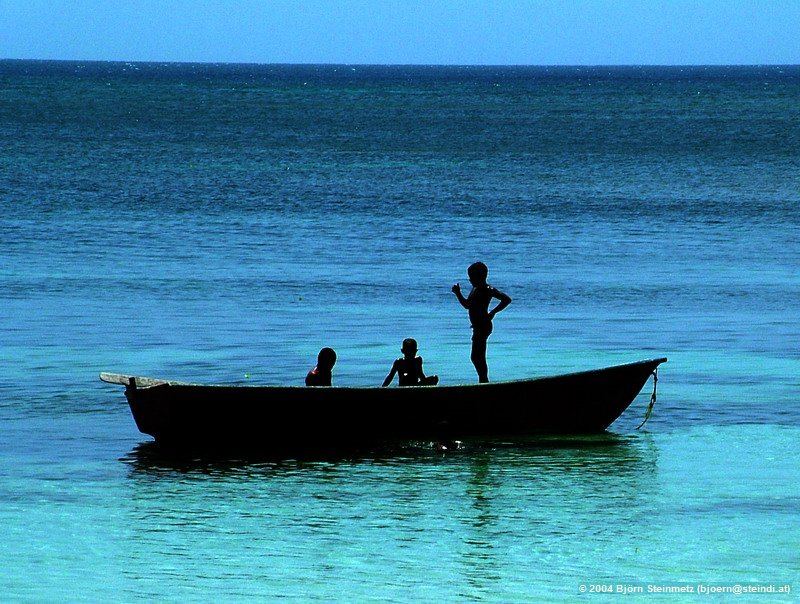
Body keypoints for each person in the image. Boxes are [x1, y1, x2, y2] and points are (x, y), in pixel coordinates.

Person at [451, 262, 511, 383]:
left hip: (483, 325)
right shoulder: (475, 289)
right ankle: (483, 379)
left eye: (472, 277)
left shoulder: (487, 289)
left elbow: (506, 299)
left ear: (480, 277)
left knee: (477, 356)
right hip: (477, 326)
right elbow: (467, 305)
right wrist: (458, 293)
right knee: (476, 357)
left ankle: (483, 380)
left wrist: (493, 312)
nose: (470, 280)